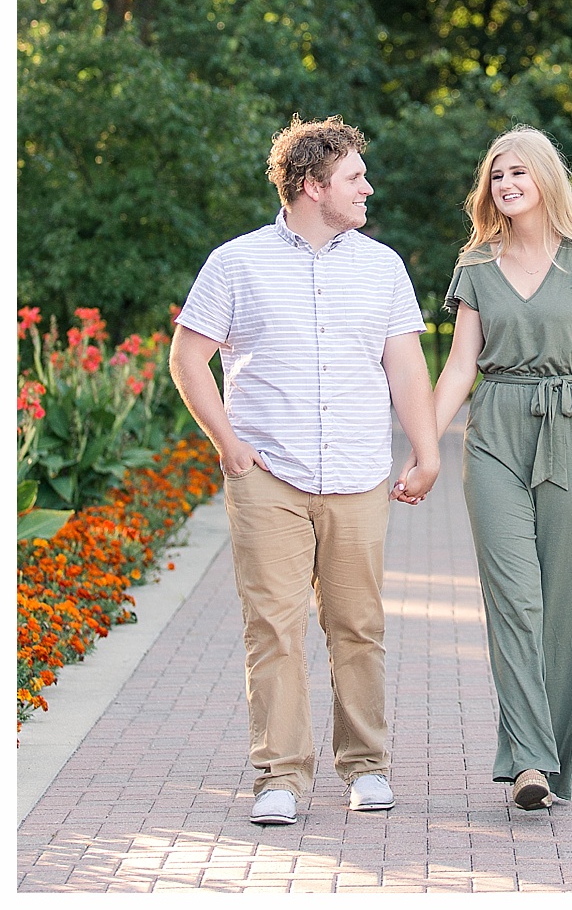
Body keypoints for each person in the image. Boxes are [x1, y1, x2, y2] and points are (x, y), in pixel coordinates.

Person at [170, 116, 442, 827]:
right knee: (274, 628)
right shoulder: (235, 263)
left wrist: (428, 447)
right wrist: (227, 444)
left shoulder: (381, 267)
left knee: (358, 624)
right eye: (354, 177)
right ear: (311, 185)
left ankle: (366, 766)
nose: (367, 188)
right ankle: (280, 776)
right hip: (269, 476)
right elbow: (187, 358)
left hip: (357, 475)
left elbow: (405, 365)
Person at [430, 125, 572, 811]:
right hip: (495, 430)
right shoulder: (477, 267)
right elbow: (461, 366)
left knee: (564, 605)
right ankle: (528, 763)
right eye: (495, 176)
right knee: (514, 598)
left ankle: (551, 760)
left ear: (544, 177)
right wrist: (427, 445)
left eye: (517, 172)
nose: (506, 184)